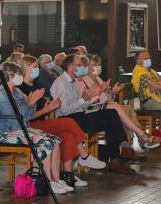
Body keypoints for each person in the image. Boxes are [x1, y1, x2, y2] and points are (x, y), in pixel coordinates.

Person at [17, 55, 105, 186]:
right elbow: (26, 116)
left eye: (38, 67)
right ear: (25, 69)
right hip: (31, 124)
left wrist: (48, 104)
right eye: (34, 67)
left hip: (42, 121)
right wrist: (45, 109)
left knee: (67, 135)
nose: (38, 70)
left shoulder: (33, 85)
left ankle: (68, 176)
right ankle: (84, 156)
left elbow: (41, 107)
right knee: (69, 122)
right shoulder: (21, 88)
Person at [0, 62, 72, 193]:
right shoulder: (2, 93)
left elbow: (28, 114)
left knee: (55, 140)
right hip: (9, 133)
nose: (21, 76)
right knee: (45, 142)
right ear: (10, 75)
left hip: (21, 128)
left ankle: (56, 179)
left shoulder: (17, 91)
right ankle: (47, 181)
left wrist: (32, 102)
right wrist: (30, 103)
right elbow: (13, 117)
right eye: (19, 74)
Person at [50, 54, 134, 173]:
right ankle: (119, 154)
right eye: (79, 65)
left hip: (79, 114)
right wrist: (85, 98)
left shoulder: (73, 81)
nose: (82, 67)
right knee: (110, 119)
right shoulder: (61, 82)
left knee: (112, 114)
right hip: (68, 119)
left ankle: (119, 155)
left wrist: (90, 96)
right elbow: (64, 110)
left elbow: (82, 105)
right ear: (70, 66)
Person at [78, 54, 159, 151]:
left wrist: (112, 93)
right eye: (94, 65)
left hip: (104, 107)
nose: (97, 67)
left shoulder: (98, 79)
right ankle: (140, 137)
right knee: (117, 107)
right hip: (90, 109)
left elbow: (107, 101)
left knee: (127, 108)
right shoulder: (83, 79)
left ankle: (131, 144)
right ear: (87, 67)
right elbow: (85, 100)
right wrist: (99, 92)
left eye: (98, 64)